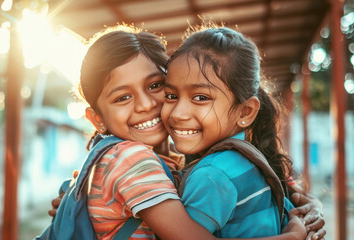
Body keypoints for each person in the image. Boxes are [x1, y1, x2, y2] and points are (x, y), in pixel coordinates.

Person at [48, 25, 324, 240]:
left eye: (156, 87)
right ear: (97, 119)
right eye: (122, 98)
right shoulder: (133, 160)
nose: (146, 105)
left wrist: (308, 204)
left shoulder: (181, 162)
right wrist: (293, 235)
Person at [160, 26, 320, 238]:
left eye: (200, 97)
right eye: (171, 96)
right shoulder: (247, 160)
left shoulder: (213, 174)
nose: (178, 113)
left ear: (245, 111)